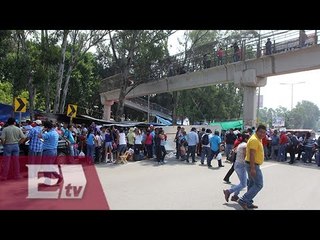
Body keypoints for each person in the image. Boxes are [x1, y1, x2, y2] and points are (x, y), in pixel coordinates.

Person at [237, 124, 267, 210]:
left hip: (251, 164)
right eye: (260, 132)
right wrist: (253, 168)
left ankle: (248, 202)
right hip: (252, 164)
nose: (262, 134)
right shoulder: (254, 140)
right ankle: (243, 200)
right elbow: (252, 154)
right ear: (257, 131)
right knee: (259, 184)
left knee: (252, 183)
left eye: (264, 133)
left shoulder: (257, 138)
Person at [223, 133, 250, 202]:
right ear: (246, 139)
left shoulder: (240, 144)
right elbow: (245, 157)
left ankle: (235, 195)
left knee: (243, 182)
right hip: (241, 165)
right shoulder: (245, 145)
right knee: (244, 184)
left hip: (237, 165)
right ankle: (228, 191)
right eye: (249, 138)